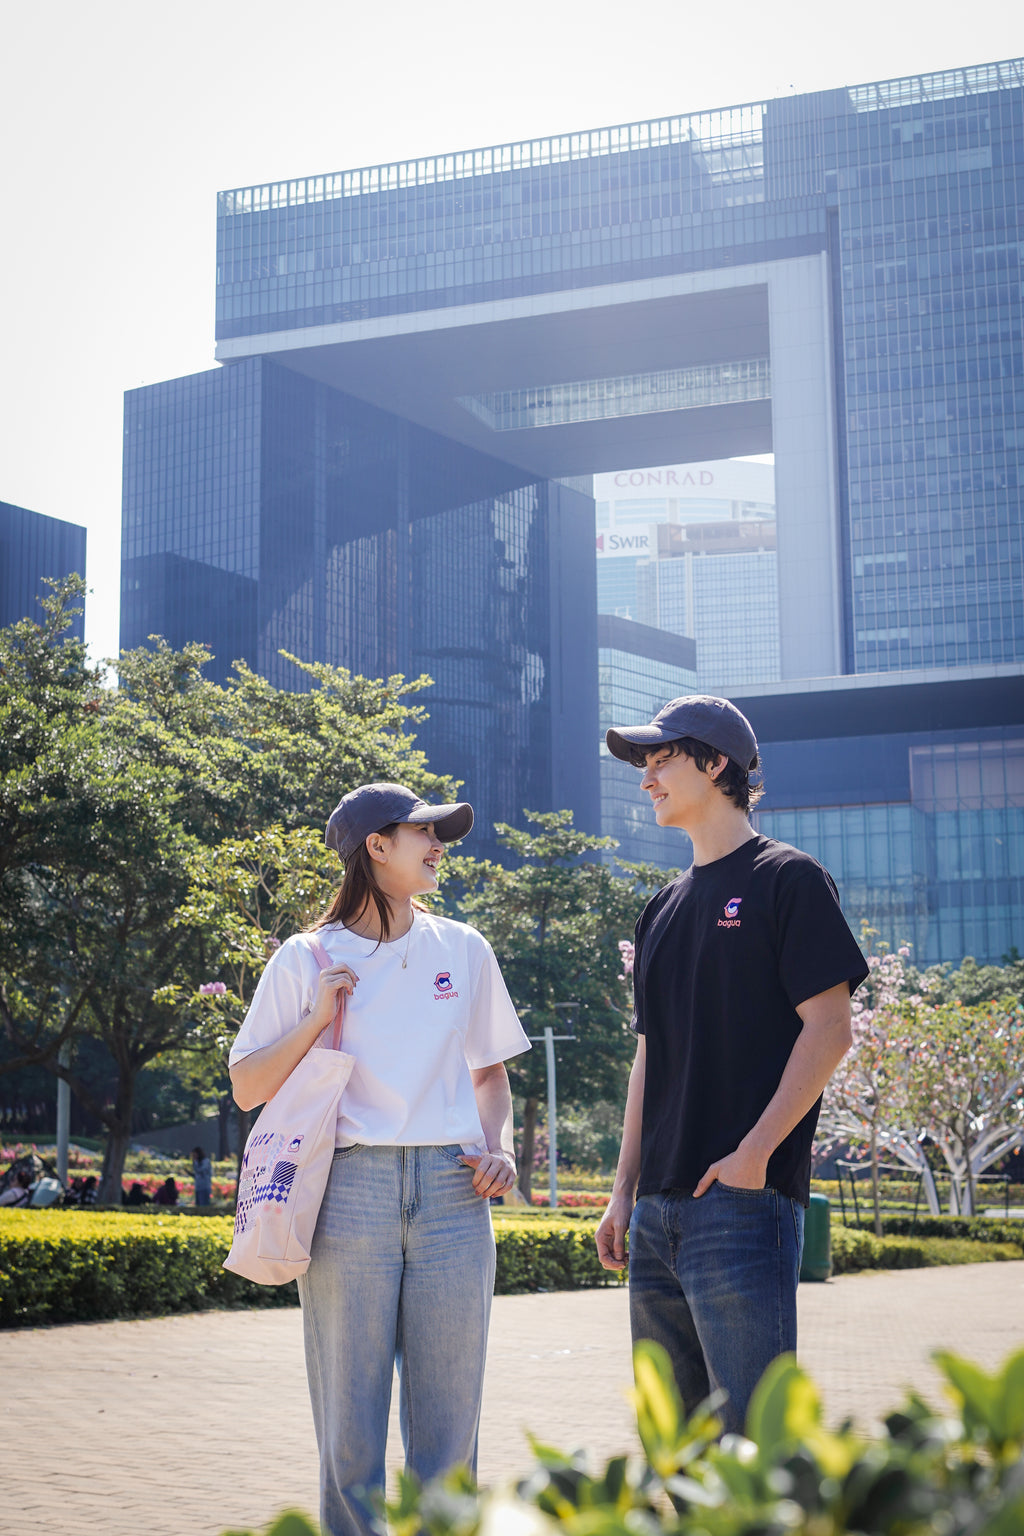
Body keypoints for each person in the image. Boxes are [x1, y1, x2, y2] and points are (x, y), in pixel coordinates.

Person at [229, 782, 530, 1536]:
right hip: (348, 1190)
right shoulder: (307, 957)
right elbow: (246, 1085)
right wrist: (317, 1017)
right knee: (350, 1432)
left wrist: (497, 1148)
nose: (439, 846)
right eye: (423, 832)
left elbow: (489, 1074)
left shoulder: (463, 947)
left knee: (448, 1432)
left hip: (455, 1194)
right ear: (375, 847)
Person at [595, 696, 867, 1435]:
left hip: (743, 1206)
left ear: (717, 764)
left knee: (754, 1454)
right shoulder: (661, 908)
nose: (646, 778)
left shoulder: (790, 879)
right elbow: (649, 1059)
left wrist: (753, 1157)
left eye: (661, 759)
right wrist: (624, 1192)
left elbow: (831, 1028)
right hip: (655, 1215)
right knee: (675, 1455)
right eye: (643, 764)